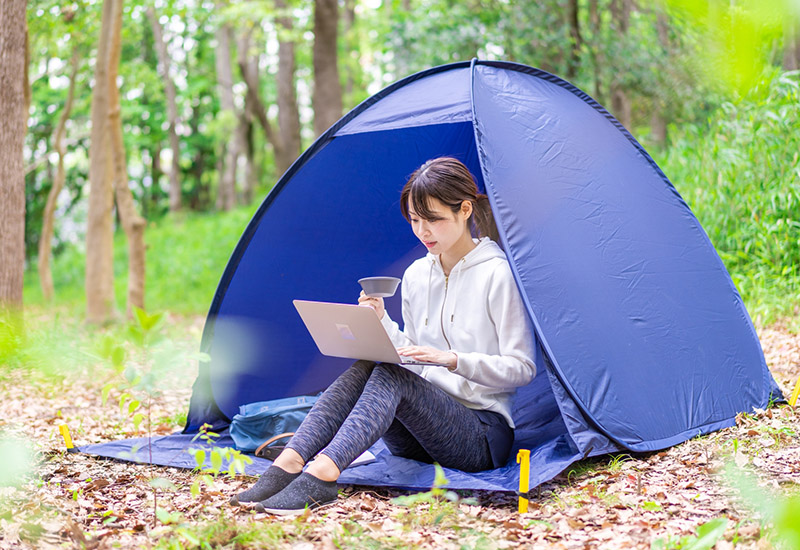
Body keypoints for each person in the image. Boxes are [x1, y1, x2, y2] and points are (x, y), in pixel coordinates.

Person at [230, 157, 536, 515]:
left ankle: (323, 475)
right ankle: (289, 463)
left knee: (391, 377)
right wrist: (381, 324)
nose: (424, 232)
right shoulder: (417, 274)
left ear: (465, 209)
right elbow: (412, 358)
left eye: (433, 219)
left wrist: (453, 360)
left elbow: (523, 368)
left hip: (481, 434)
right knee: (368, 366)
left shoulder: (497, 274)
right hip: (420, 434)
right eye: (415, 220)